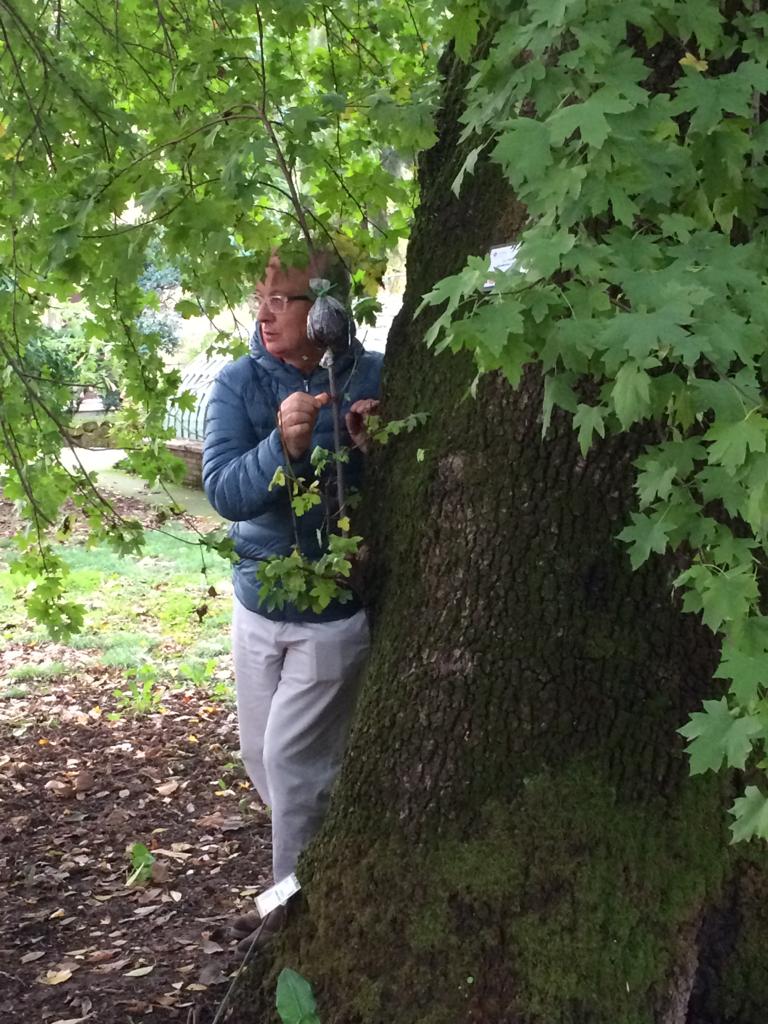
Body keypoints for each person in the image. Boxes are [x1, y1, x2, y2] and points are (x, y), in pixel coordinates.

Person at [202, 251, 382, 947]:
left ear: (329, 307)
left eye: (285, 299)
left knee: (290, 762)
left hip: (333, 615)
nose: (266, 312)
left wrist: (377, 445)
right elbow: (222, 491)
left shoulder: (371, 374)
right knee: (264, 760)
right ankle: (325, 856)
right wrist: (282, 446)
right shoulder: (239, 382)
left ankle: (287, 921)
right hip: (257, 604)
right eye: (261, 297)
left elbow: (413, 490)